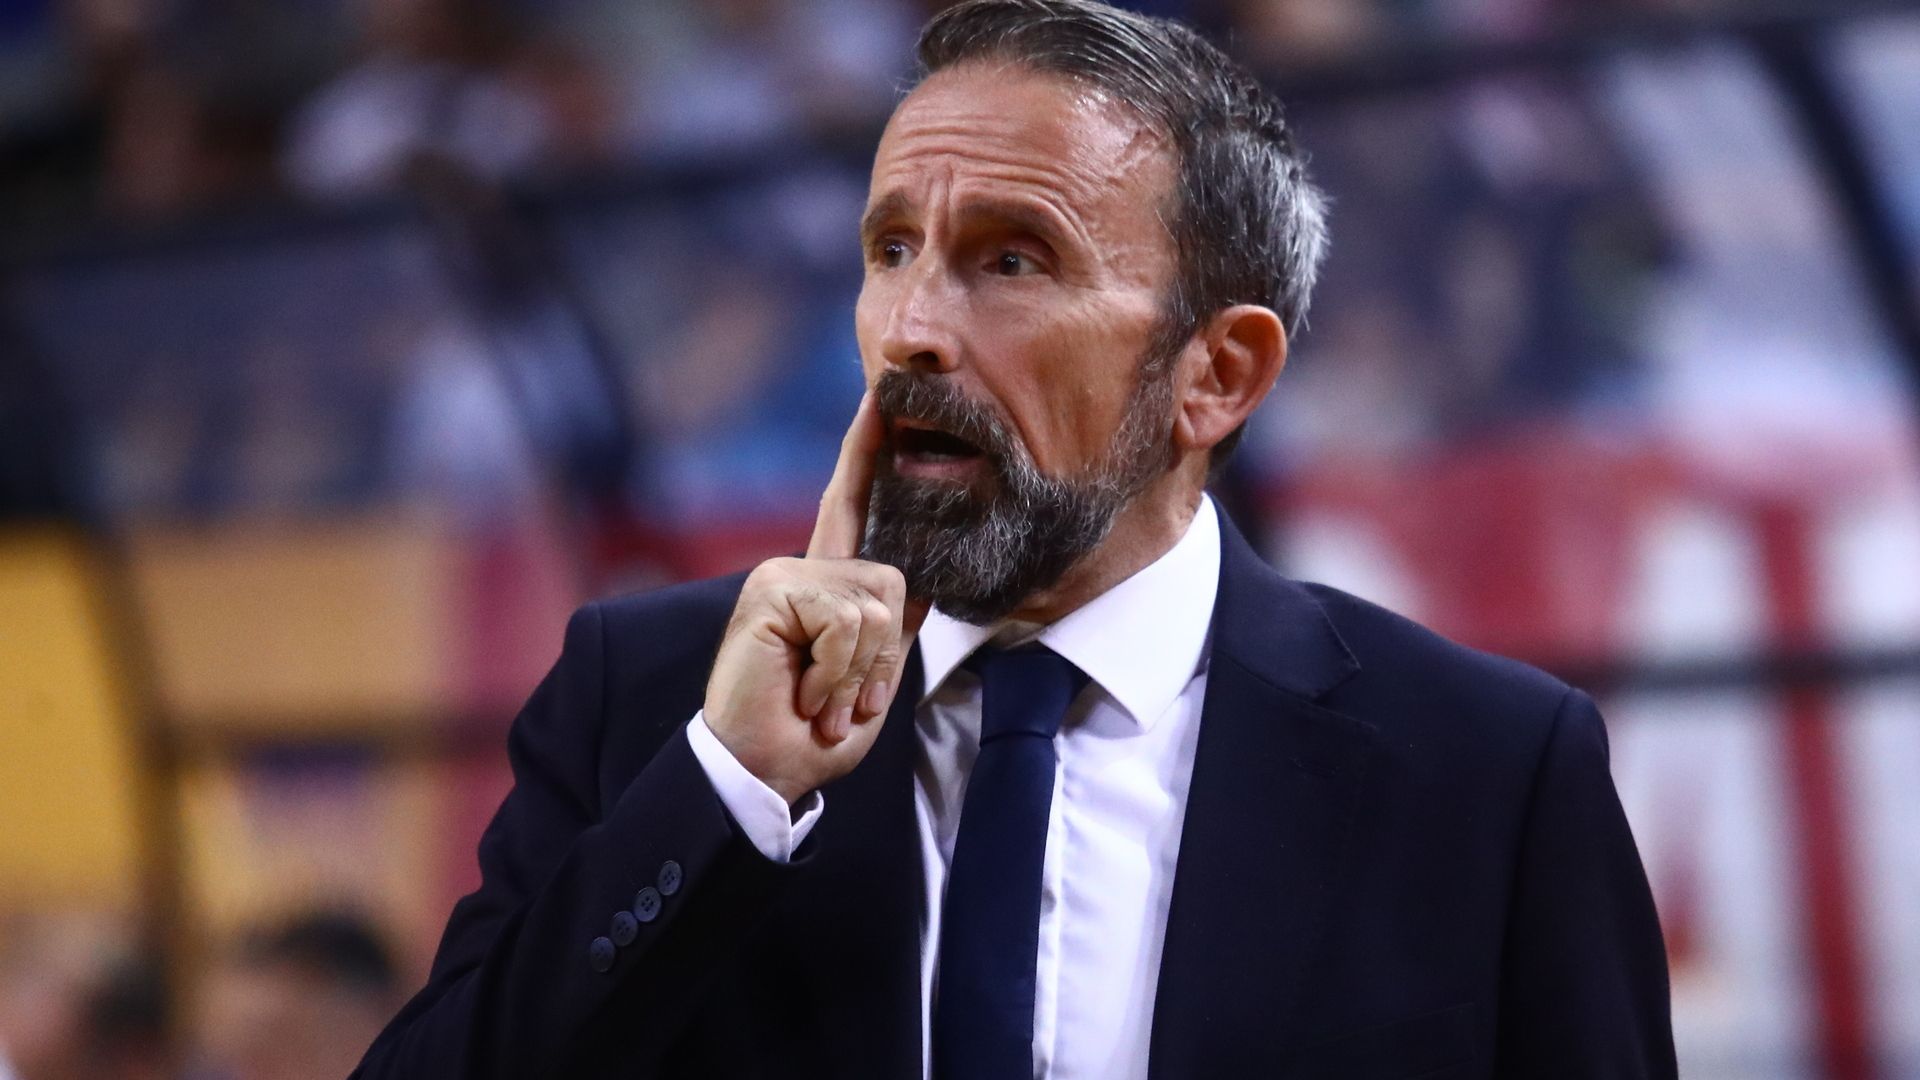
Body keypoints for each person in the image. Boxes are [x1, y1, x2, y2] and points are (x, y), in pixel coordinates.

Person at [355, 1, 1677, 1076]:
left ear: (1216, 373)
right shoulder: (656, 704)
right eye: (890, 250)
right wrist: (730, 791)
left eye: (1011, 261)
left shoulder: (1484, 771)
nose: (912, 330)